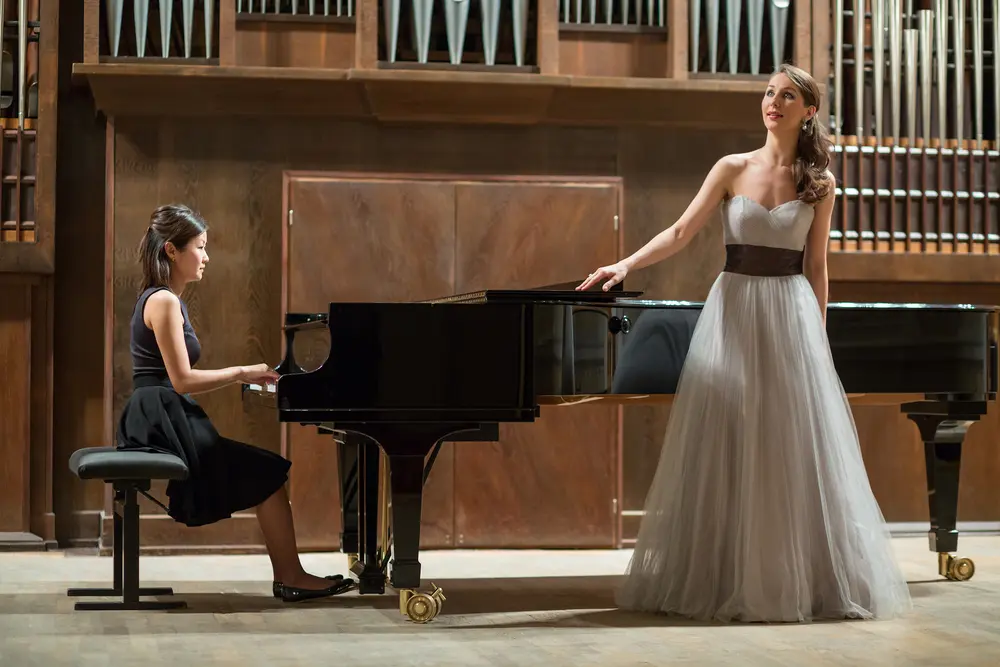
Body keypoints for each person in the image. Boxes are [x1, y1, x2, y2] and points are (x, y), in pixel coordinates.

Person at [578, 64, 912, 623]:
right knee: (729, 438)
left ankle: (795, 578)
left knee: (786, 445)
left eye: (787, 96)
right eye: (768, 93)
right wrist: (627, 261)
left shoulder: (821, 182)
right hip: (733, 309)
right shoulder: (732, 168)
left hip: (791, 315)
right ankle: (726, 573)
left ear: (808, 111)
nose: (773, 102)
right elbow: (681, 232)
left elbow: (818, 267)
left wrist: (818, 340)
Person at [117, 204, 354, 603]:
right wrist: (243, 372)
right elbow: (182, 380)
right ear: (172, 251)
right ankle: (292, 576)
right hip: (161, 414)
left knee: (264, 472)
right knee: (269, 474)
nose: (206, 257)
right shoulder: (164, 302)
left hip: (159, 411)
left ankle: (291, 575)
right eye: (200, 247)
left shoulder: (163, 299)